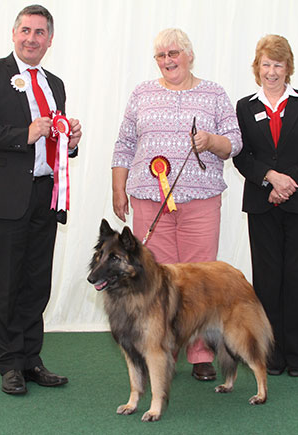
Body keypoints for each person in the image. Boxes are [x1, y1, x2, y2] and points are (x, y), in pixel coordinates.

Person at [112, 28, 242, 381]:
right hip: (149, 201)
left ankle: (200, 353)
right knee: (155, 284)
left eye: (174, 53)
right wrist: (118, 188)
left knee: (198, 282)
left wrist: (212, 140)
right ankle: (160, 350)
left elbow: (235, 142)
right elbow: (124, 143)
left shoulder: (214, 93)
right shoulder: (141, 93)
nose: (168, 60)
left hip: (200, 201)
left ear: (189, 55)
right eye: (161, 56)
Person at [0, 5, 82, 395]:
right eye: (26, 31)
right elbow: (20, 134)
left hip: (46, 194)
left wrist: (71, 142)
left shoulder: (56, 83)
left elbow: (55, 141)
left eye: (40, 33)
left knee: (37, 282)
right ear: (13, 33)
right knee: (7, 283)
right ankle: (9, 362)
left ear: (50, 39)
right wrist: (24, 133)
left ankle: (32, 358)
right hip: (8, 196)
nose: (32, 38)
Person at [233, 35, 298, 377]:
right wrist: (270, 178)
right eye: (265, 65)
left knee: (296, 279)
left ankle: (296, 354)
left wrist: (286, 184)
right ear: (256, 68)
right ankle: (271, 355)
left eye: (278, 64)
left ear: (288, 68)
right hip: (261, 204)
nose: (271, 72)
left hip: (296, 202)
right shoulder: (245, 106)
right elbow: (241, 155)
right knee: (267, 280)